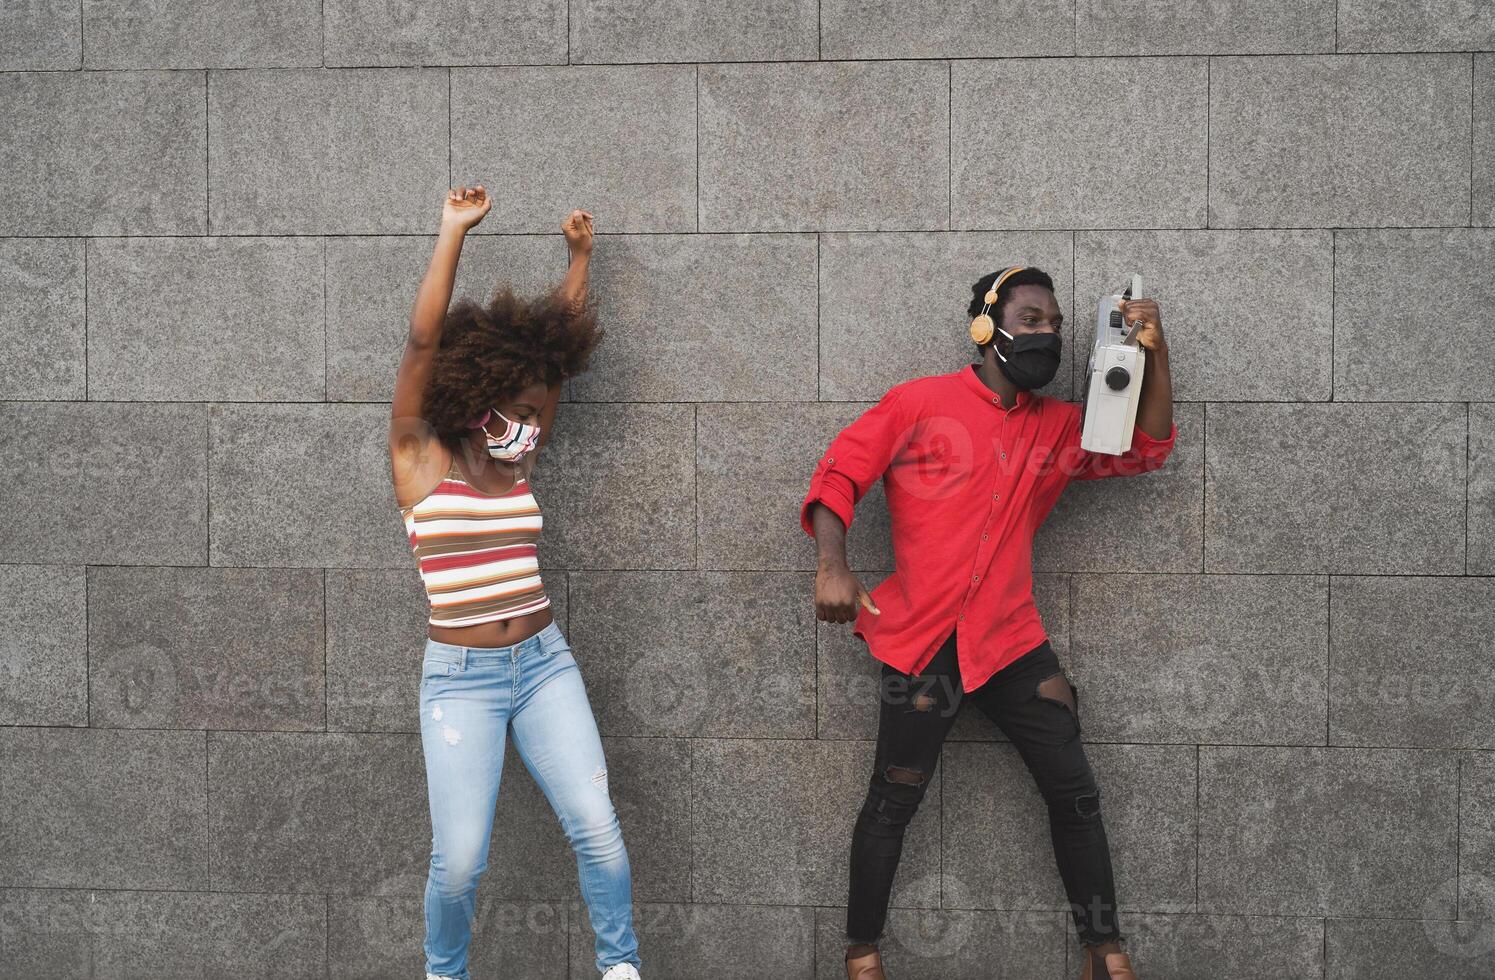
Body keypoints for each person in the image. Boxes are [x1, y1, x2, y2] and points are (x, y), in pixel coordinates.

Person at [802, 266, 1177, 980]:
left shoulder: (1061, 427)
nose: (1047, 335)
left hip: (1012, 645)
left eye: (1056, 325)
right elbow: (839, 473)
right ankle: (861, 955)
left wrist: (1155, 352)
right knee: (893, 796)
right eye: (1031, 320)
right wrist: (832, 565)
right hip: (921, 646)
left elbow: (1147, 446)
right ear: (986, 327)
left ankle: (1106, 955)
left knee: (1075, 794)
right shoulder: (917, 403)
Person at [389, 185, 642, 980]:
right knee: (459, 861)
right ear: (475, 392)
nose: (531, 421)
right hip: (460, 681)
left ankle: (620, 968)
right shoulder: (418, 458)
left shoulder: (520, 453)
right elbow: (421, 342)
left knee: (597, 828)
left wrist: (578, 261)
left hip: (543, 666)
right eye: (516, 405)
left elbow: (556, 357)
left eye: (535, 408)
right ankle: (444, 973)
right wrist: (452, 231)